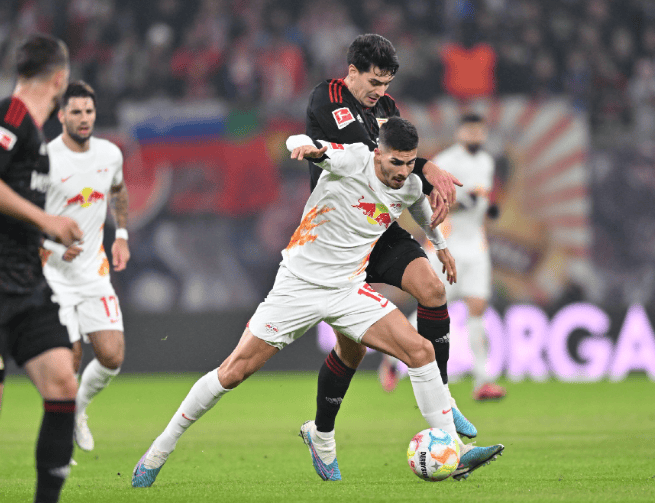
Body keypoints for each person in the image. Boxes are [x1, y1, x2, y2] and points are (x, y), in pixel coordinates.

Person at [131, 117, 503, 488]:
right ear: (378, 153)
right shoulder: (352, 160)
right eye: (395, 163)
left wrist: (440, 245)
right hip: (299, 286)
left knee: (420, 351)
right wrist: (305, 148)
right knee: (233, 372)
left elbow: (420, 206)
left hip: (348, 289)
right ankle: (160, 449)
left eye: (409, 163)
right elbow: (308, 144)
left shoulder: (409, 184)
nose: (402, 172)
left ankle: (453, 451)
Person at [304, 34, 496, 480]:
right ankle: (322, 434)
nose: (380, 91)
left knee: (432, 287)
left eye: (386, 83)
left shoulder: (386, 107)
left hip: (379, 226)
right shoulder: (326, 99)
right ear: (352, 72)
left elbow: (400, 161)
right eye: (373, 82)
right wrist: (429, 168)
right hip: (337, 235)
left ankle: (444, 401)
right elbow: (373, 157)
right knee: (350, 350)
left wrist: (437, 231)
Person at [0, 33, 83, 503]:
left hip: (25, 284)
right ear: (59, 79)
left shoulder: (37, 135)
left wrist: (48, 237)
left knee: (62, 382)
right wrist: (48, 221)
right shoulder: (12, 115)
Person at [379, 113, 506, 401]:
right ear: (460, 133)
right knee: (431, 309)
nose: (474, 135)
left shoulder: (486, 162)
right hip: (446, 245)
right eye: (469, 130)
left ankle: (483, 381)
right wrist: (461, 204)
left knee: (478, 309)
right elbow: (428, 199)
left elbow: (480, 198)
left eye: (479, 130)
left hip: (476, 246)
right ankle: (392, 358)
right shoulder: (446, 161)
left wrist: (487, 208)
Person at [41, 81, 130, 451]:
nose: (83, 118)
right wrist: (50, 245)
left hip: (95, 273)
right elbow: (24, 214)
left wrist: (121, 235)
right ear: (62, 116)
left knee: (112, 356)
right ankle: (60, 441)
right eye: (75, 112)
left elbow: (118, 191)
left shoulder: (109, 154)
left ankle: (77, 409)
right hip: (54, 276)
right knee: (71, 358)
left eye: (88, 111)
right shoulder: (46, 158)